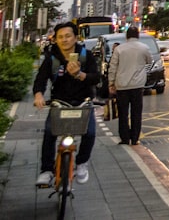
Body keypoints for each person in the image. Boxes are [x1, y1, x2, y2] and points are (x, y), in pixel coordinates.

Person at [32, 21, 98, 187]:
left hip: (83, 103)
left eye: (68, 36)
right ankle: (46, 171)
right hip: (59, 103)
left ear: (76, 38)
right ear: (55, 39)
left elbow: (96, 78)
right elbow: (40, 80)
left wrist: (80, 74)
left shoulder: (86, 56)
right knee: (49, 133)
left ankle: (82, 163)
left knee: (89, 133)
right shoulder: (51, 58)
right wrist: (38, 94)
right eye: (60, 37)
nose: (64, 40)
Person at [108, 27, 153, 145]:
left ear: (126, 36)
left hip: (122, 85)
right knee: (136, 113)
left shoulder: (119, 49)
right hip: (137, 85)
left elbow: (113, 67)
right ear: (138, 36)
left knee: (123, 113)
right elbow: (150, 61)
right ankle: (135, 138)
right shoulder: (144, 48)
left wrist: (111, 83)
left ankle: (124, 138)